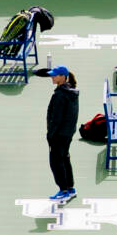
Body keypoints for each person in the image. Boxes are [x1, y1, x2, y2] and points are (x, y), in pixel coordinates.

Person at [43, 65, 80, 203]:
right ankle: (70, 188)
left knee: (56, 162)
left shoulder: (60, 95)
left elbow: (56, 118)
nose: (52, 77)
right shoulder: (71, 92)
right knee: (65, 159)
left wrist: (50, 135)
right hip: (67, 133)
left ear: (63, 77)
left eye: (55, 75)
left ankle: (63, 190)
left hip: (59, 135)